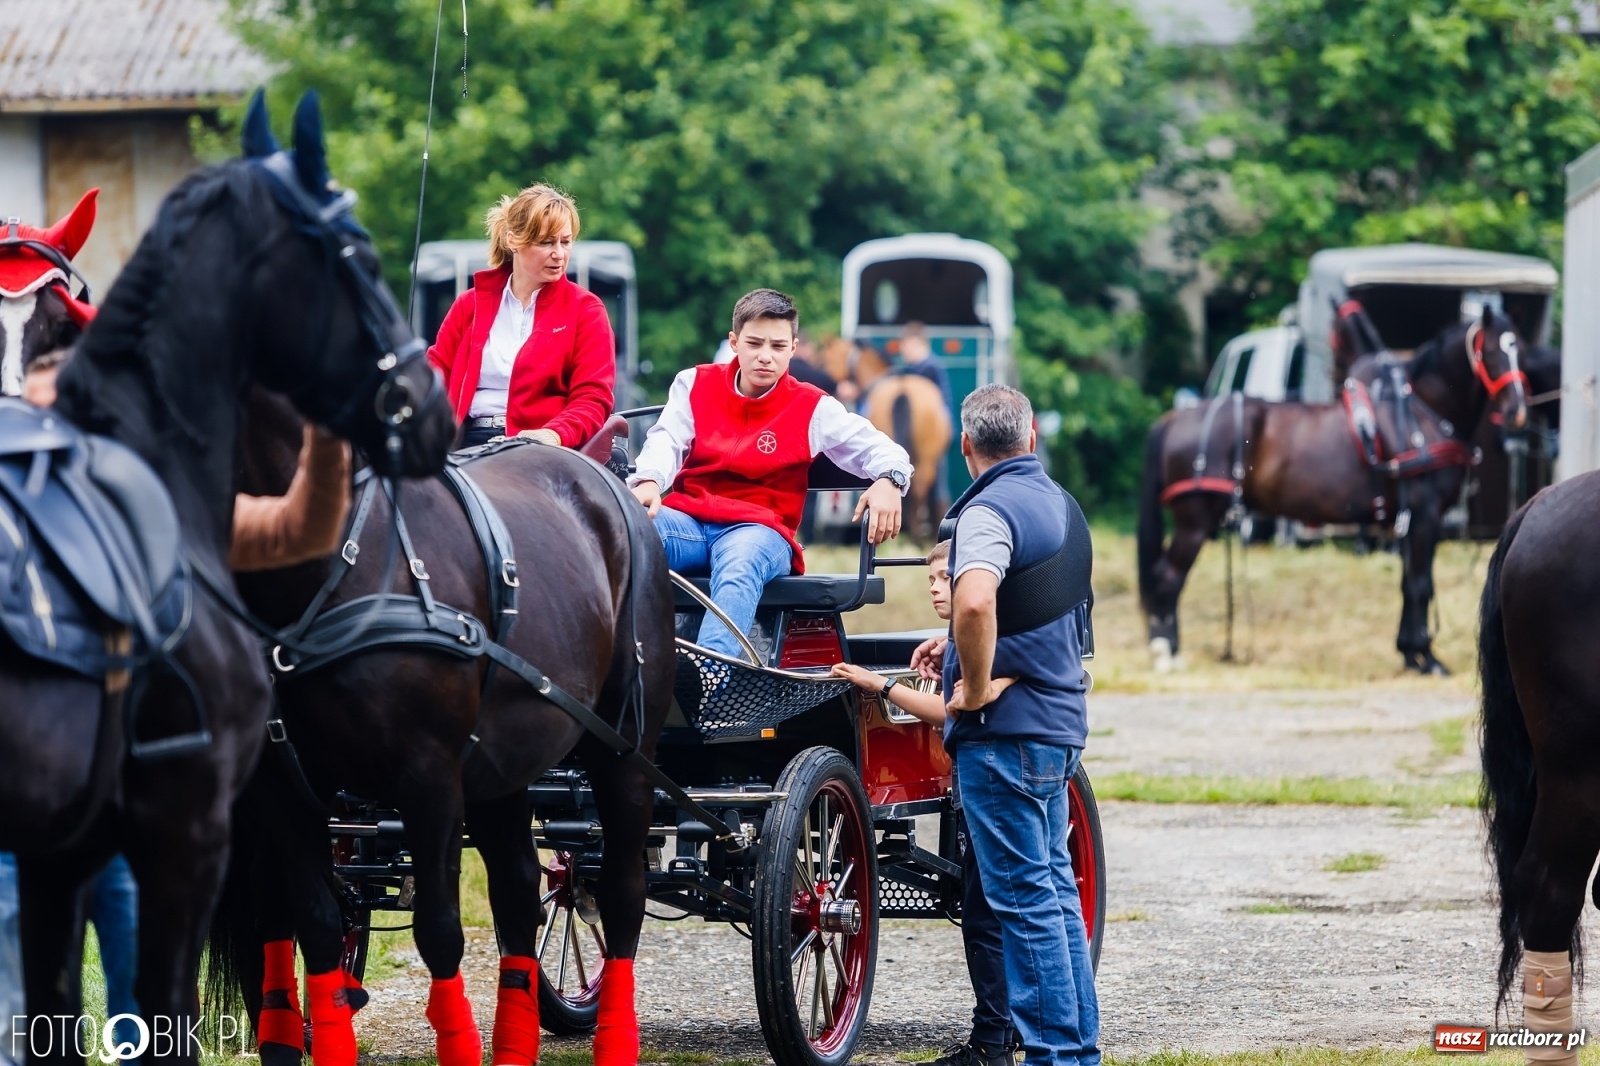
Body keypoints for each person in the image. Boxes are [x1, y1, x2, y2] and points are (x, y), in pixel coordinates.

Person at [912, 384, 1097, 1066]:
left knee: (1023, 907)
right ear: (1032, 436)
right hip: (1057, 726)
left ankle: (1053, 1057)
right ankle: (1076, 1053)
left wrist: (973, 684)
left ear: (964, 445)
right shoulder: (1062, 505)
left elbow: (975, 602)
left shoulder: (987, 511)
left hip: (1005, 737)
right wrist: (958, 650)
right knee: (1054, 899)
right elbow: (1039, 612)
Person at [627, 289, 911, 660]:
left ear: (793, 348)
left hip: (759, 531)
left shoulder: (814, 406)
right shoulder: (694, 383)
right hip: (688, 523)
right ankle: (624, 662)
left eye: (778, 346)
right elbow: (666, 440)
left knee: (740, 563)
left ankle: (709, 676)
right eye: (754, 343)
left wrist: (890, 480)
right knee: (625, 533)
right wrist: (649, 479)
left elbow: (884, 450)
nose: (765, 355)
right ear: (734, 343)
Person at [831, 541, 1017, 1066]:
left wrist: (882, 685)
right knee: (986, 913)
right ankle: (1003, 1036)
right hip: (986, 769)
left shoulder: (984, 636)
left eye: (944, 579)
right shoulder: (962, 636)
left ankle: (994, 1043)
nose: (935, 588)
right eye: (930, 580)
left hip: (992, 770)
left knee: (985, 914)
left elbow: (950, 712)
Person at [426, 184, 615, 450]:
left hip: (545, 447)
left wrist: (554, 434)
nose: (559, 254)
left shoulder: (587, 310)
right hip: (465, 443)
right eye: (546, 242)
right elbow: (434, 376)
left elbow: (593, 397)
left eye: (565, 241)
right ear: (513, 240)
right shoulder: (469, 305)